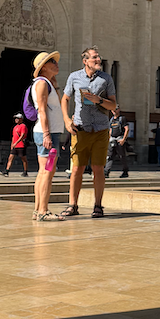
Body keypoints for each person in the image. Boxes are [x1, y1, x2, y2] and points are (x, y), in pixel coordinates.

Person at [59, 46, 116, 219]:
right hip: (80, 128)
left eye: (98, 57)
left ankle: (98, 206)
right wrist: (67, 121)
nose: (98, 60)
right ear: (85, 61)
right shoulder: (74, 77)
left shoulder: (106, 79)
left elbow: (113, 105)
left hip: (100, 129)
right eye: (94, 58)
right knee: (77, 169)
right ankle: (73, 205)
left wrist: (99, 100)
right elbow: (65, 99)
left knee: (98, 168)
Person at [30, 50, 63, 221]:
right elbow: (42, 110)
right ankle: (43, 210)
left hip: (50, 134)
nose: (56, 64)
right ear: (43, 67)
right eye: (52, 62)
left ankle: (38, 210)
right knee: (47, 171)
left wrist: (55, 83)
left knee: (44, 171)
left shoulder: (47, 83)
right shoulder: (42, 83)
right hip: (47, 135)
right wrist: (47, 135)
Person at [105, 108, 130, 178]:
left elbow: (127, 129)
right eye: (112, 110)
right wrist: (108, 139)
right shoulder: (111, 120)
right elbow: (110, 130)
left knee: (121, 156)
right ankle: (106, 172)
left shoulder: (122, 119)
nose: (114, 111)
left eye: (115, 109)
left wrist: (123, 140)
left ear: (118, 110)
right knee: (110, 156)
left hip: (119, 139)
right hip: (112, 140)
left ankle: (125, 171)